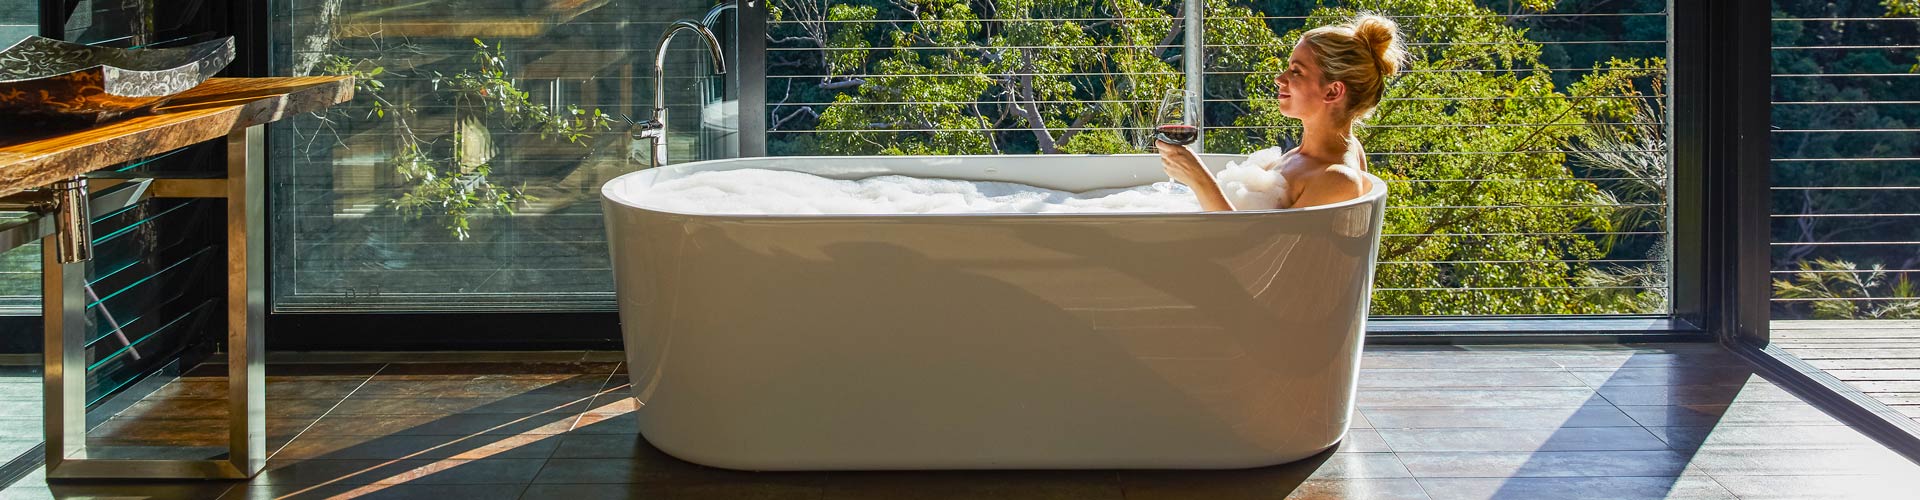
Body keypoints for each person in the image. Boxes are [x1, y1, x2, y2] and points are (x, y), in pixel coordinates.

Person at [1158, 14, 1407, 210]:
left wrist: (1201, 180)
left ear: (1332, 92)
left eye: (1296, 71)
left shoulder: (1338, 180)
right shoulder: (1310, 156)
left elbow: (1257, 256)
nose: (1279, 78)